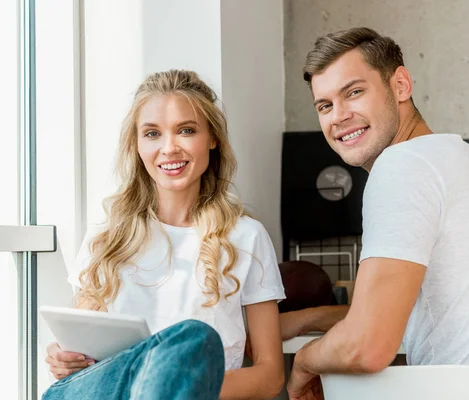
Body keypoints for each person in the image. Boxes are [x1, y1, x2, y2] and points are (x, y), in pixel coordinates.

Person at [287, 27, 469, 400]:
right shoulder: (456, 155)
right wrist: (308, 320)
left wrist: (304, 363)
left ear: (401, 85)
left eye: (354, 92)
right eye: (325, 105)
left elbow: (369, 343)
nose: (338, 116)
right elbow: (394, 312)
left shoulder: (401, 167)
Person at [43, 70, 286, 400]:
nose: (169, 148)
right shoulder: (107, 234)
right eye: (152, 134)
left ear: (212, 138)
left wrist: (177, 388)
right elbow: (83, 355)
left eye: (186, 130)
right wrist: (63, 358)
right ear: (138, 144)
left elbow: (270, 376)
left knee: (191, 340)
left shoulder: (246, 237)